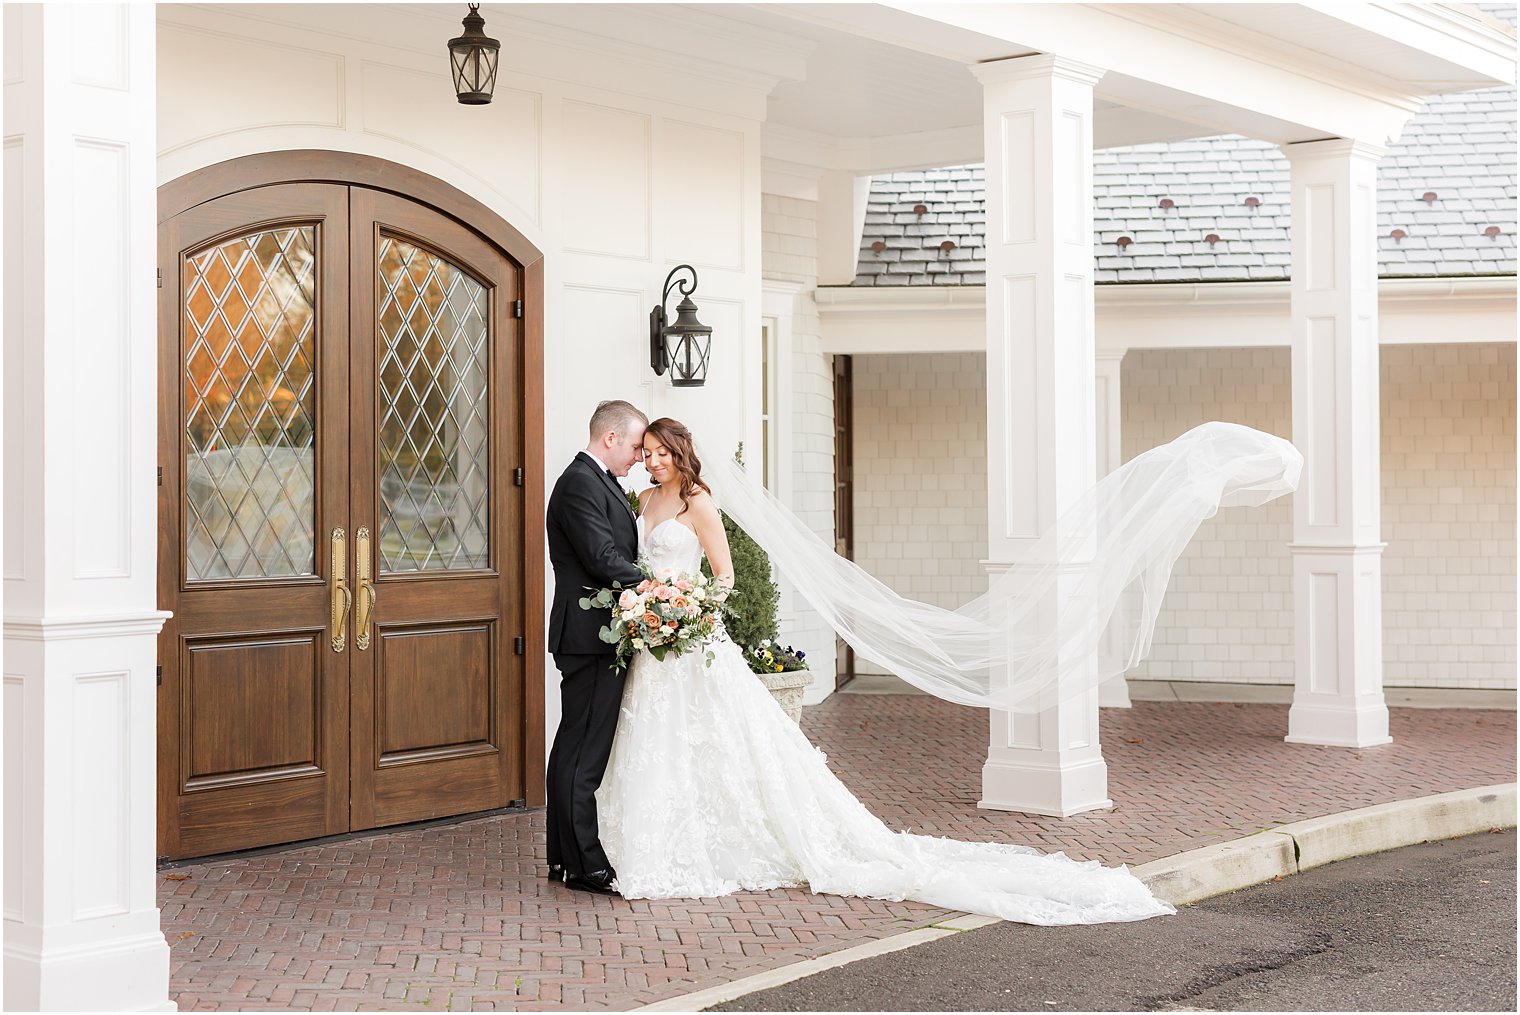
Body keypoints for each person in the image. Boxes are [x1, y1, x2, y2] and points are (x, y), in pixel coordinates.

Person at [594, 417, 1178, 925]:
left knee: (719, 739)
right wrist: (652, 611)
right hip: (655, 644)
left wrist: (688, 612)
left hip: (693, 640)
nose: (652, 461)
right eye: (646, 453)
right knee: (659, 739)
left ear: (681, 453)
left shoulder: (700, 502)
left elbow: (723, 577)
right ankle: (657, 842)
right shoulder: (643, 503)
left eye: (660, 453)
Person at [543, 400, 648, 895]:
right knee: (584, 753)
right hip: (590, 637)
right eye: (634, 446)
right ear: (610, 439)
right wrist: (656, 588)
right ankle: (586, 865)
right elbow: (602, 555)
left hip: (595, 635)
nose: (638, 457)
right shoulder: (580, 482)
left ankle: (565, 857)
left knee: (574, 746)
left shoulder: (595, 480)